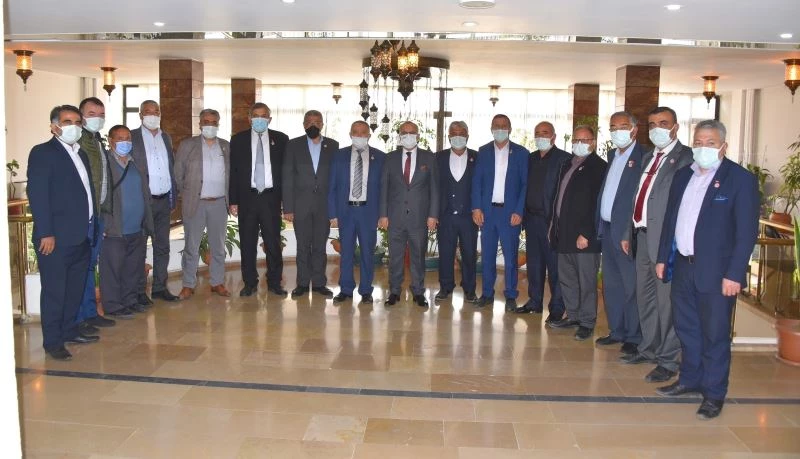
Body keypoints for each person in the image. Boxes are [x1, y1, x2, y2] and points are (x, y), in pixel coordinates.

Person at [655, 120, 759, 420]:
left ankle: (714, 393)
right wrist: (662, 258)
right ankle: (689, 379)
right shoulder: (683, 176)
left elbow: (746, 233)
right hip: (683, 266)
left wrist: (735, 274)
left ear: (724, 146)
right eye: (699, 142)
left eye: (710, 143)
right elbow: (670, 221)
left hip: (717, 273)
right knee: (687, 328)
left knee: (715, 334)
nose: (703, 147)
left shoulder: (739, 180)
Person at [623, 106, 693, 384]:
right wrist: (629, 231)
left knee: (667, 304)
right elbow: (640, 196)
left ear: (676, 127)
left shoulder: (686, 158)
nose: (657, 129)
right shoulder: (648, 157)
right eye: (652, 124)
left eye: (663, 123)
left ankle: (668, 359)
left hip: (665, 241)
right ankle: (649, 348)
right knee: (646, 298)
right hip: (641, 236)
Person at [27, 105, 99, 360]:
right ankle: (53, 341)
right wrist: (46, 232)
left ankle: (69, 330)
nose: (74, 127)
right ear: (54, 126)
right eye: (68, 122)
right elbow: (38, 195)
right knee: (55, 292)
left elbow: (87, 193)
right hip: (55, 239)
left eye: (78, 122)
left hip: (82, 235)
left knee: (74, 290)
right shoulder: (43, 153)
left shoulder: (81, 154)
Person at [548, 125, 607, 341]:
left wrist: (587, 233)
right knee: (568, 279)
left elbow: (597, 204)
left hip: (584, 237)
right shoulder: (567, 164)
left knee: (586, 281)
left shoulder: (599, 167)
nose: (579, 143)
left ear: (593, 143)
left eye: (585, 140)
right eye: (576, 140)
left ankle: (587, 322)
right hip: (564, 233)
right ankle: (573, 316)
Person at [595, 111, 645, 355]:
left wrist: (628, 232)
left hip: (627, 234)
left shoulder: (643, 157)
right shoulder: (612, 155)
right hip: (607, 229)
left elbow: (640, 199)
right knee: (612, 285)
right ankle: (617, 331)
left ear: (634, 129)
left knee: (630, 286)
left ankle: (634, 336)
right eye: (613, 127)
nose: (617, 132)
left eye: (622, 126)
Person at [229, 102, 290, 297]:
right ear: (249, 119)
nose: (259, 119)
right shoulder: (238, 140)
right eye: (256, 115)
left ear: (269, 119)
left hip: (271, 198)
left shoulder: (281, 139)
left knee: (273, 243)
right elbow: (233, 172)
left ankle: (274, 282)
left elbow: (287, 172)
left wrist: (286, 200)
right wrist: (233, 200)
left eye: (264, 115)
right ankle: (249, 283)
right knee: (247, 243)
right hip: (247, 198)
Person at [471, 114, 529, 311]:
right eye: (496, 125)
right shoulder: (483, 151)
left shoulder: (521, 153)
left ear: (510, 129)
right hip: (488, 213)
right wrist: (476, 207)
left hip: (510, 214)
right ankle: (487, 293)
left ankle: (511, 295)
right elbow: (477, 182)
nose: (500, 129)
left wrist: (519, 211)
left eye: (504, 126)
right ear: (491, 128)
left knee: (511, 257)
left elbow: (525, 185)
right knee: (487, 256)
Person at [379, 121, 439, 308]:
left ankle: (418, 291)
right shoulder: (390, 158)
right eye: (404, 132)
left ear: (418, 136)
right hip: (395, 217)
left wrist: (433, 215)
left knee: (418, 257)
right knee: (395, 257)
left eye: (411, 132)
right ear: (399, 136)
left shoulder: (429, 158)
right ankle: (394, 291)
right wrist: (383, 214)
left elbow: (435, 189)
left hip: (419, 218)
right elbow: (384, 188)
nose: (408, 135)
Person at [515, 121, 570, 322]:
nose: (541, 137)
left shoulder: (564, 159)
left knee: (554, 267)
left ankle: (557, 307)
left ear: (554, 136)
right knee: (535, 265)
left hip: (552, 223)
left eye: (545, 133)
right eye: (537, 133)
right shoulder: (530, 158)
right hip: (531, 220)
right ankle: (534, 302)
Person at [174, 109, 231, 300]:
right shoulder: (187, 145)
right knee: (191, 247)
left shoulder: (225, 146)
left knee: (218, 247)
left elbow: (231, 174)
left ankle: (217, 282)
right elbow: (178, 173)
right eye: (206, 121)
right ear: (199, 124)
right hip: (195, 204)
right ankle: (188, 285)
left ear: (218, 124)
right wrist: (187, 194)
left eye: (214, 122)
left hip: (219, 203)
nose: (210, 125)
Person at [283, 110, 339, 298]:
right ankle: (302, 283)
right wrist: (288, 208)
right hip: (301, 205)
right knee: (302, 246)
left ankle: (319, 283)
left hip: (324, 205)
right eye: (309, 121)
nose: (313, 125)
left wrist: (334, 209)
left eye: (316, 121)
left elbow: (336, 179)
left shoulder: (333, 145)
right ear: (303, 124)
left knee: (320, 247)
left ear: (322, 124)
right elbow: (287, 177)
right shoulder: (293, 145)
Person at [329, 121, 386, 304]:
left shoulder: (381, 157)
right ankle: (345, 289)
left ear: (369, 135)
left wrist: (383, 214)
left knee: (367, 253)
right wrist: (333, 214)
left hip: (369, 212)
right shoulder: (339, 156)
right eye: (356, 132)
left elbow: (384, 189)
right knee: (346, 252)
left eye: (363, 132)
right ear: (350, 134)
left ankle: (366, 290)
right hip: (345, 211)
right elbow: (332, 187)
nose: (359, 135)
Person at [100, 125, 153, 320]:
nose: (125, 142)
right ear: (111, 141)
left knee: (132, 268)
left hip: (136, 228)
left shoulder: (134, 163)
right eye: (120, 138)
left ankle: (130, 300)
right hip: (115, 228)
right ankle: (113, 305)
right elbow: (100, 196)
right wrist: (103, 223)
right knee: (113, 269)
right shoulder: (105, 164)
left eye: (128, 138)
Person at [131, 100, 179, 303]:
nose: (152, 115)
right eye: (148, 111)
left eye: (156, 111)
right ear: (140, 115)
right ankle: (139, 291)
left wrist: (173, 196)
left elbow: (170, 167)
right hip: (143, 202)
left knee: (162, 247)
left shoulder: (165, 137)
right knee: (140, 248)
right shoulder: (132, 137)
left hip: (163, 201)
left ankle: (159, 287)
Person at [75, 97, 115, 332]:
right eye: (92, 114)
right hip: (84, 217)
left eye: (101, 115)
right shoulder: (78, 143)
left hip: (99, 214)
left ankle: (90, 313)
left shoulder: (97, 141)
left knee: (90, 266)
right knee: (81, 267)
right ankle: (79, 318)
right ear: (81, 116)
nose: (97, 119)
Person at [434, 121, 479, 303]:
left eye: (461, 132)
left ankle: (469, 289)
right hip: (445, 216)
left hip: (469, 216)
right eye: (454, 132)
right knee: (445, 254)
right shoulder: (438, 157)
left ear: (467, 135)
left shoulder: (477, 157)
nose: (458, 136)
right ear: (449, 136)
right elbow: (433, 187)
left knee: (469, 254)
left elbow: (482, 186)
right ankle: (445, 287)